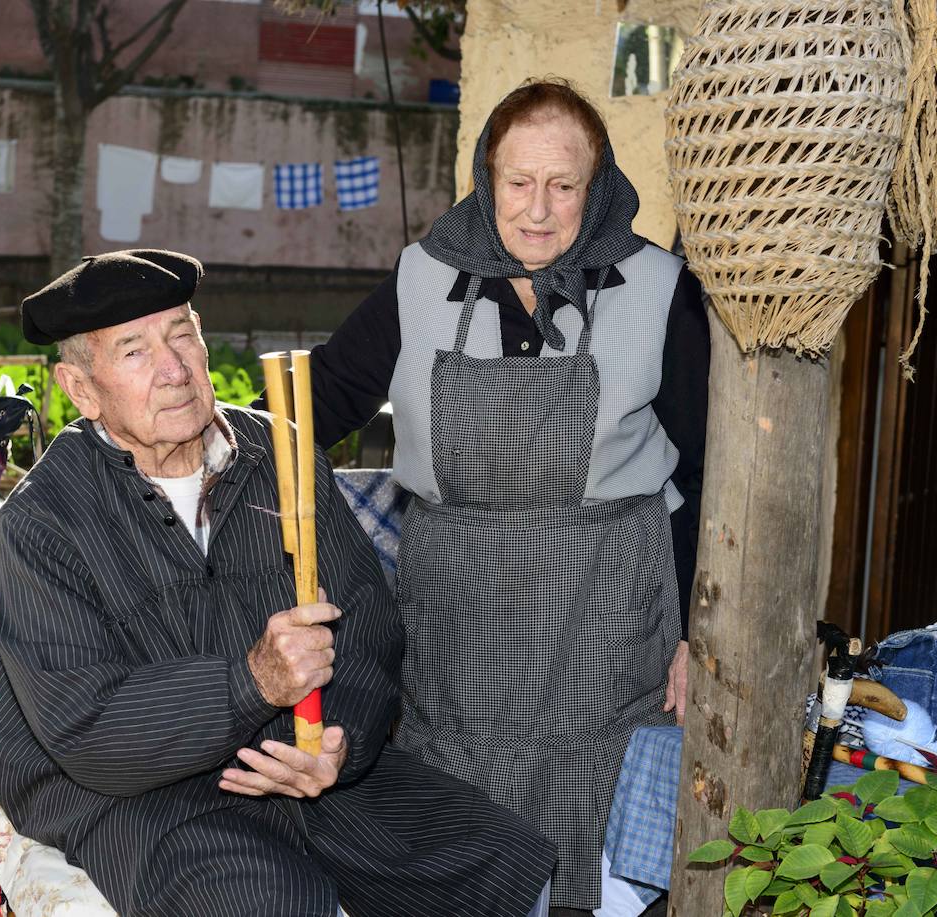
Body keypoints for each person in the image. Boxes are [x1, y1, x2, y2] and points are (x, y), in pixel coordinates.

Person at [0, 249, 556, 917]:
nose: (173, 369)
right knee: (269, 900)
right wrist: (248, 683)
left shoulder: (278, 452)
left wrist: (339, 741)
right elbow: (86, 724)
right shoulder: (46, 519)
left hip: (300, 763)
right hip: (142, 795)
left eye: (181, 334)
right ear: (82, 389)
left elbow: (368, 627)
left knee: (501, 858)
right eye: (135, 352)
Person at [298, 80, 711, 912]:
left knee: (597, 856)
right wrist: (197, 424)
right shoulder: (421, 278)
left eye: (564, 185)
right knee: (456, 833)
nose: (538, 210)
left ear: (598, 189)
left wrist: (701, 632)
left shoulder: (659, 290)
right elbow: (322, 401)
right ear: (487, 179)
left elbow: (707, 471)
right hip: (455, 623)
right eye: (518, 183)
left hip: (605, 618)